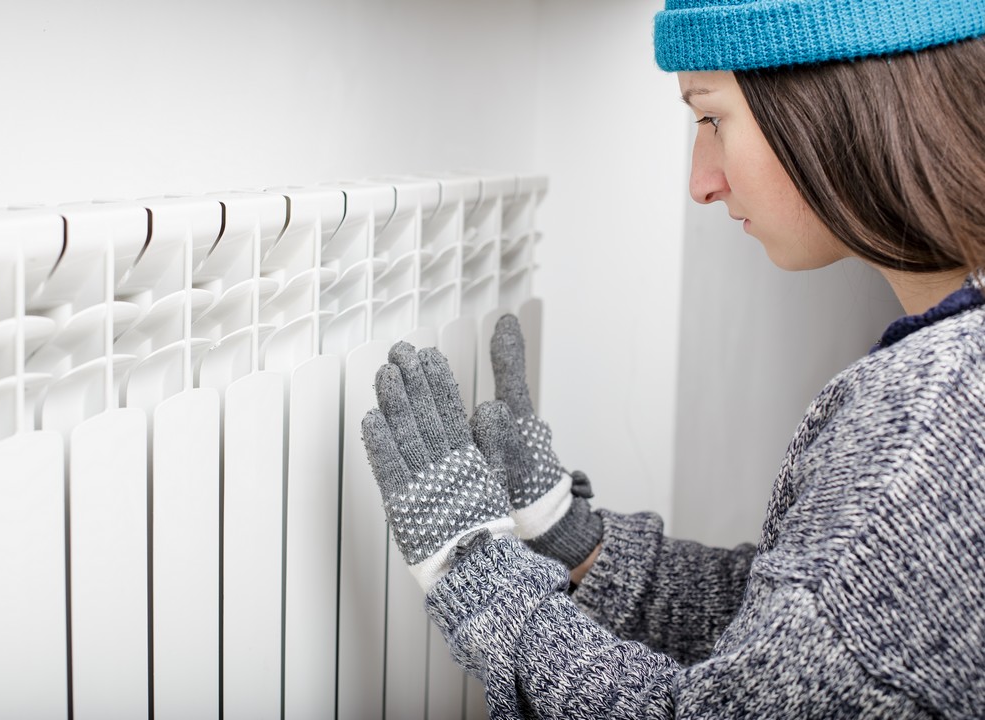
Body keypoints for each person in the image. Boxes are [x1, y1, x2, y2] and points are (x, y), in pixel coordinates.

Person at [361, 0, 985, 716]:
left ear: (840, 93)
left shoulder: (931, 420)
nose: (702, 181)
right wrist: (574, 542)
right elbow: (809, 641)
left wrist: (473, 568)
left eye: (711, 117)